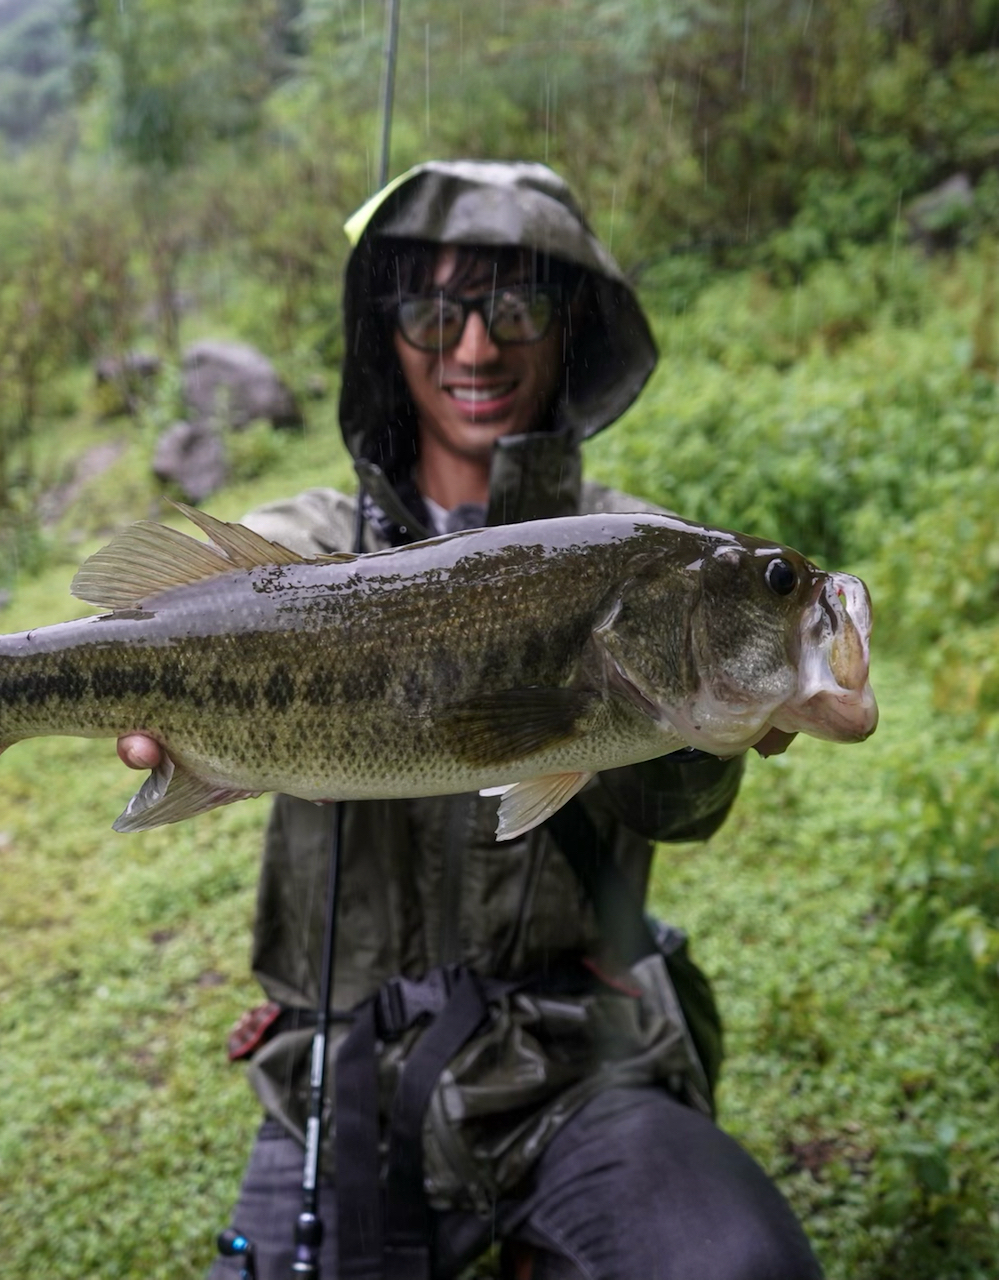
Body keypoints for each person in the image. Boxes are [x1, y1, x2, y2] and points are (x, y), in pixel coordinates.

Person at [118, 161, 822, 1280]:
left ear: (569, 324)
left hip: (577, 1066)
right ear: (384, 333)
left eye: (516, 305)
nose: (476, 347)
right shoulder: (306, 536)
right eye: (434, 308)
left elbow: (681, 813)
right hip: (343, 1076)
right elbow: (240, 578)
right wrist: (181, 707)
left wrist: (735, 721)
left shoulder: (644, 547)